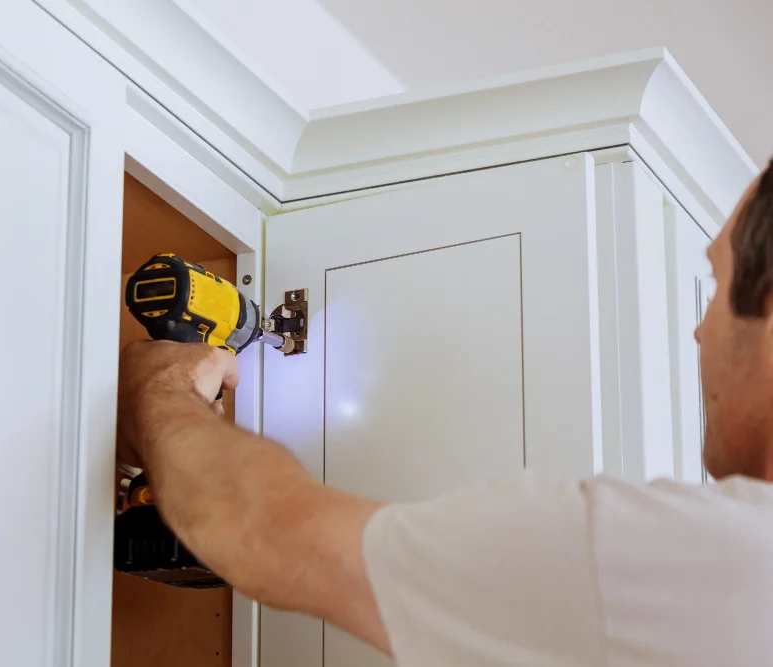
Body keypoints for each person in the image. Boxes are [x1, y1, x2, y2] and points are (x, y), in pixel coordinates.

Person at [116, 159, 773, 667]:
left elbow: (268, 532)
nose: (697, 332)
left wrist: (163, 389)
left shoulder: (701, 560)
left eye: (715, 286)